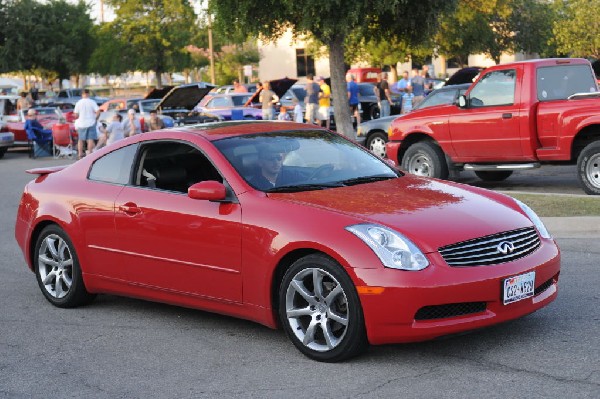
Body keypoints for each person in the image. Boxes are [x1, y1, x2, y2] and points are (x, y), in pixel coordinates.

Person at [73, 89, 101, 158]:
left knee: (81, 139)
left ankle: (80, 153)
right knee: (90, 139)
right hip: (91, 122)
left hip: (81, 123)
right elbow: (98, 111)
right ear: (88, 94)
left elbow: (76, 114)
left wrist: (78, 117)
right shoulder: (92, 102)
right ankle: (89, 153)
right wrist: (96, 119)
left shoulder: (78, 103)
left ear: (82, 95)